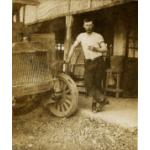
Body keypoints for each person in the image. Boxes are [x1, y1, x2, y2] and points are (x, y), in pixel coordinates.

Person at [66, 18, 109, 112]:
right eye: (86, 25)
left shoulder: (98, 36)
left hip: (99, 61)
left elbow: (105, 49)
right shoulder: (81, 36)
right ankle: (102, 99)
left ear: (92, 25)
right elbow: (73, 46)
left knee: (97, 84)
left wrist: (96, 49)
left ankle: (95, 105)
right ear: (83, 26)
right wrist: (68, 58)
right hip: (89, 63)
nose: (88, 27)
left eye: (90, 25)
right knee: (88, 83)